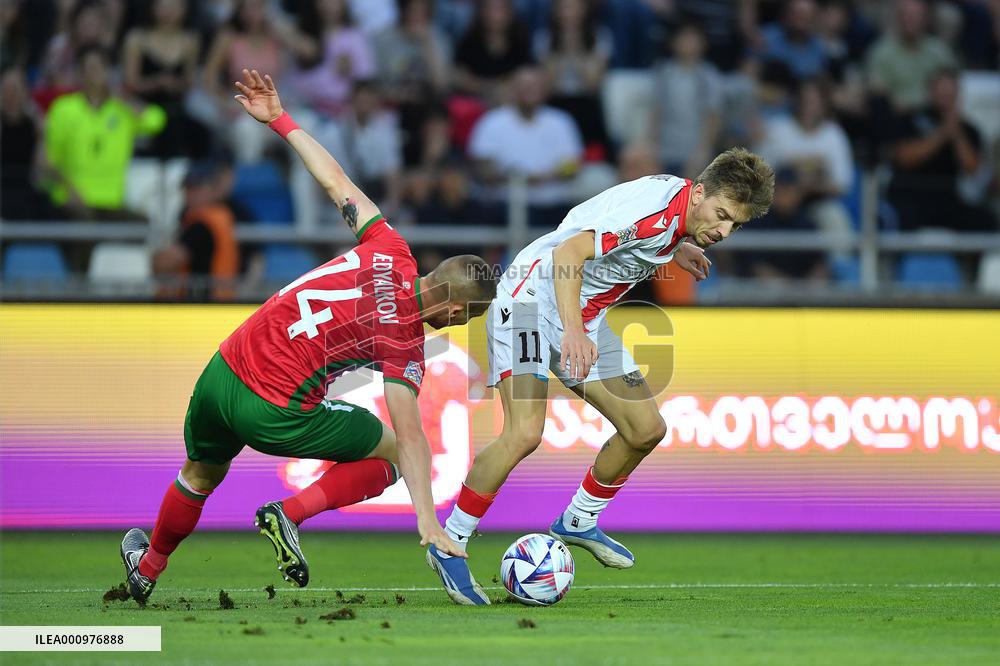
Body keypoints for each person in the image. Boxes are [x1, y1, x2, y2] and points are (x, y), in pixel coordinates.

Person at [119, 69, 496, 603]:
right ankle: (288, 514)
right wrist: (428, 521)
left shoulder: (389, 245)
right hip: (273, 409)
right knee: (388, 453)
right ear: (455, 306)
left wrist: (280, 119)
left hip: (221, 370)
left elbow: (335, 183)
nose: (459, 326)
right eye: (465, 318)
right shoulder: (405, 341)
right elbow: (410, 436)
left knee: (199, 474)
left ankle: (148, 567)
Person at [426, 148, 775, 605]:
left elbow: (625, 233)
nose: (724, 231)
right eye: (722, 216)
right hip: (531, 301)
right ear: (701, 191)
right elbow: (569, 252)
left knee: (645, 429)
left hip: (584, 314)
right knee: (525, 433)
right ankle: (449, 542)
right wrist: (572, 332)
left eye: (736, 225)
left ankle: (578, 520)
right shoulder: (651, 213)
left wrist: (679, 246)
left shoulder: (678, 213)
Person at [43, 46, 166, 218]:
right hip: (71, 199)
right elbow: (50, 158)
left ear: (109, 72)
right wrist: (68, 189)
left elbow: (156, 121)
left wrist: (122, 97)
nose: (95, 74)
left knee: (142, 227)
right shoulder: (63, 108)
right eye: (89, 68)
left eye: (100, 68)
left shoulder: (122, 109)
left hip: (112, 201)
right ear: (79, 73)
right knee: (82, 223)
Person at [467, 66, 584, 228]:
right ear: (512, 89)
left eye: (534, 85)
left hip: (554, 203)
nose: (529, 90)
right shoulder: (492, 121)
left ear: (545, 90)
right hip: (505, 203)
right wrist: (518, 178)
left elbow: (573, 165)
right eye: (524, 85)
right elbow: (482, 167)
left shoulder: (561, 121)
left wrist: (547, 176)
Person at [887, 68, 994, 233]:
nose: (946, 98)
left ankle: (972, 260)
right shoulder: (909, 118)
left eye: (951, 93)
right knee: (903, 216)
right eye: (942, 92)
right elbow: (904, 158)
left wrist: (957, 136)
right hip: (910, 194)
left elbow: (973, 171)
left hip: (947, 196)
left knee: (985, 221)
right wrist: (941, 135)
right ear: (930, 92)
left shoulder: (969, 129)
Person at [121, 0, 209, 159]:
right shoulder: (137, 38)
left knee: (199, 132)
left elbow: (189, 82)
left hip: (176, 108)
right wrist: (156, 82)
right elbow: (130, 83)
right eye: (163, 6)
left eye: (174, 6)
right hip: (144, 108)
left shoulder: (190, 40)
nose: (169, 12)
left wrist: (176, 84)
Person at [651, 21, 725, 177]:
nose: (688, 42)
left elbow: (713, 116)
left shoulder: (709, 75)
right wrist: (653, 145)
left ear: (703, 44)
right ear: (673, 42)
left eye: (693, 38)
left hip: (695, 152)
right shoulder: (664, 72)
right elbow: (657, 111)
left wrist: (703, 151)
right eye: (684, 37)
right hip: (665, 149)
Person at [865, 0, 957, 113]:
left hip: (935, 114)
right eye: (906, 16)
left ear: (926, 20)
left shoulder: (939, 51)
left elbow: (953, 87)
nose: (911, 21)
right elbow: (877, 92)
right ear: (898, 19)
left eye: (916, 16)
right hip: (897, 117)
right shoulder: (881, 53)